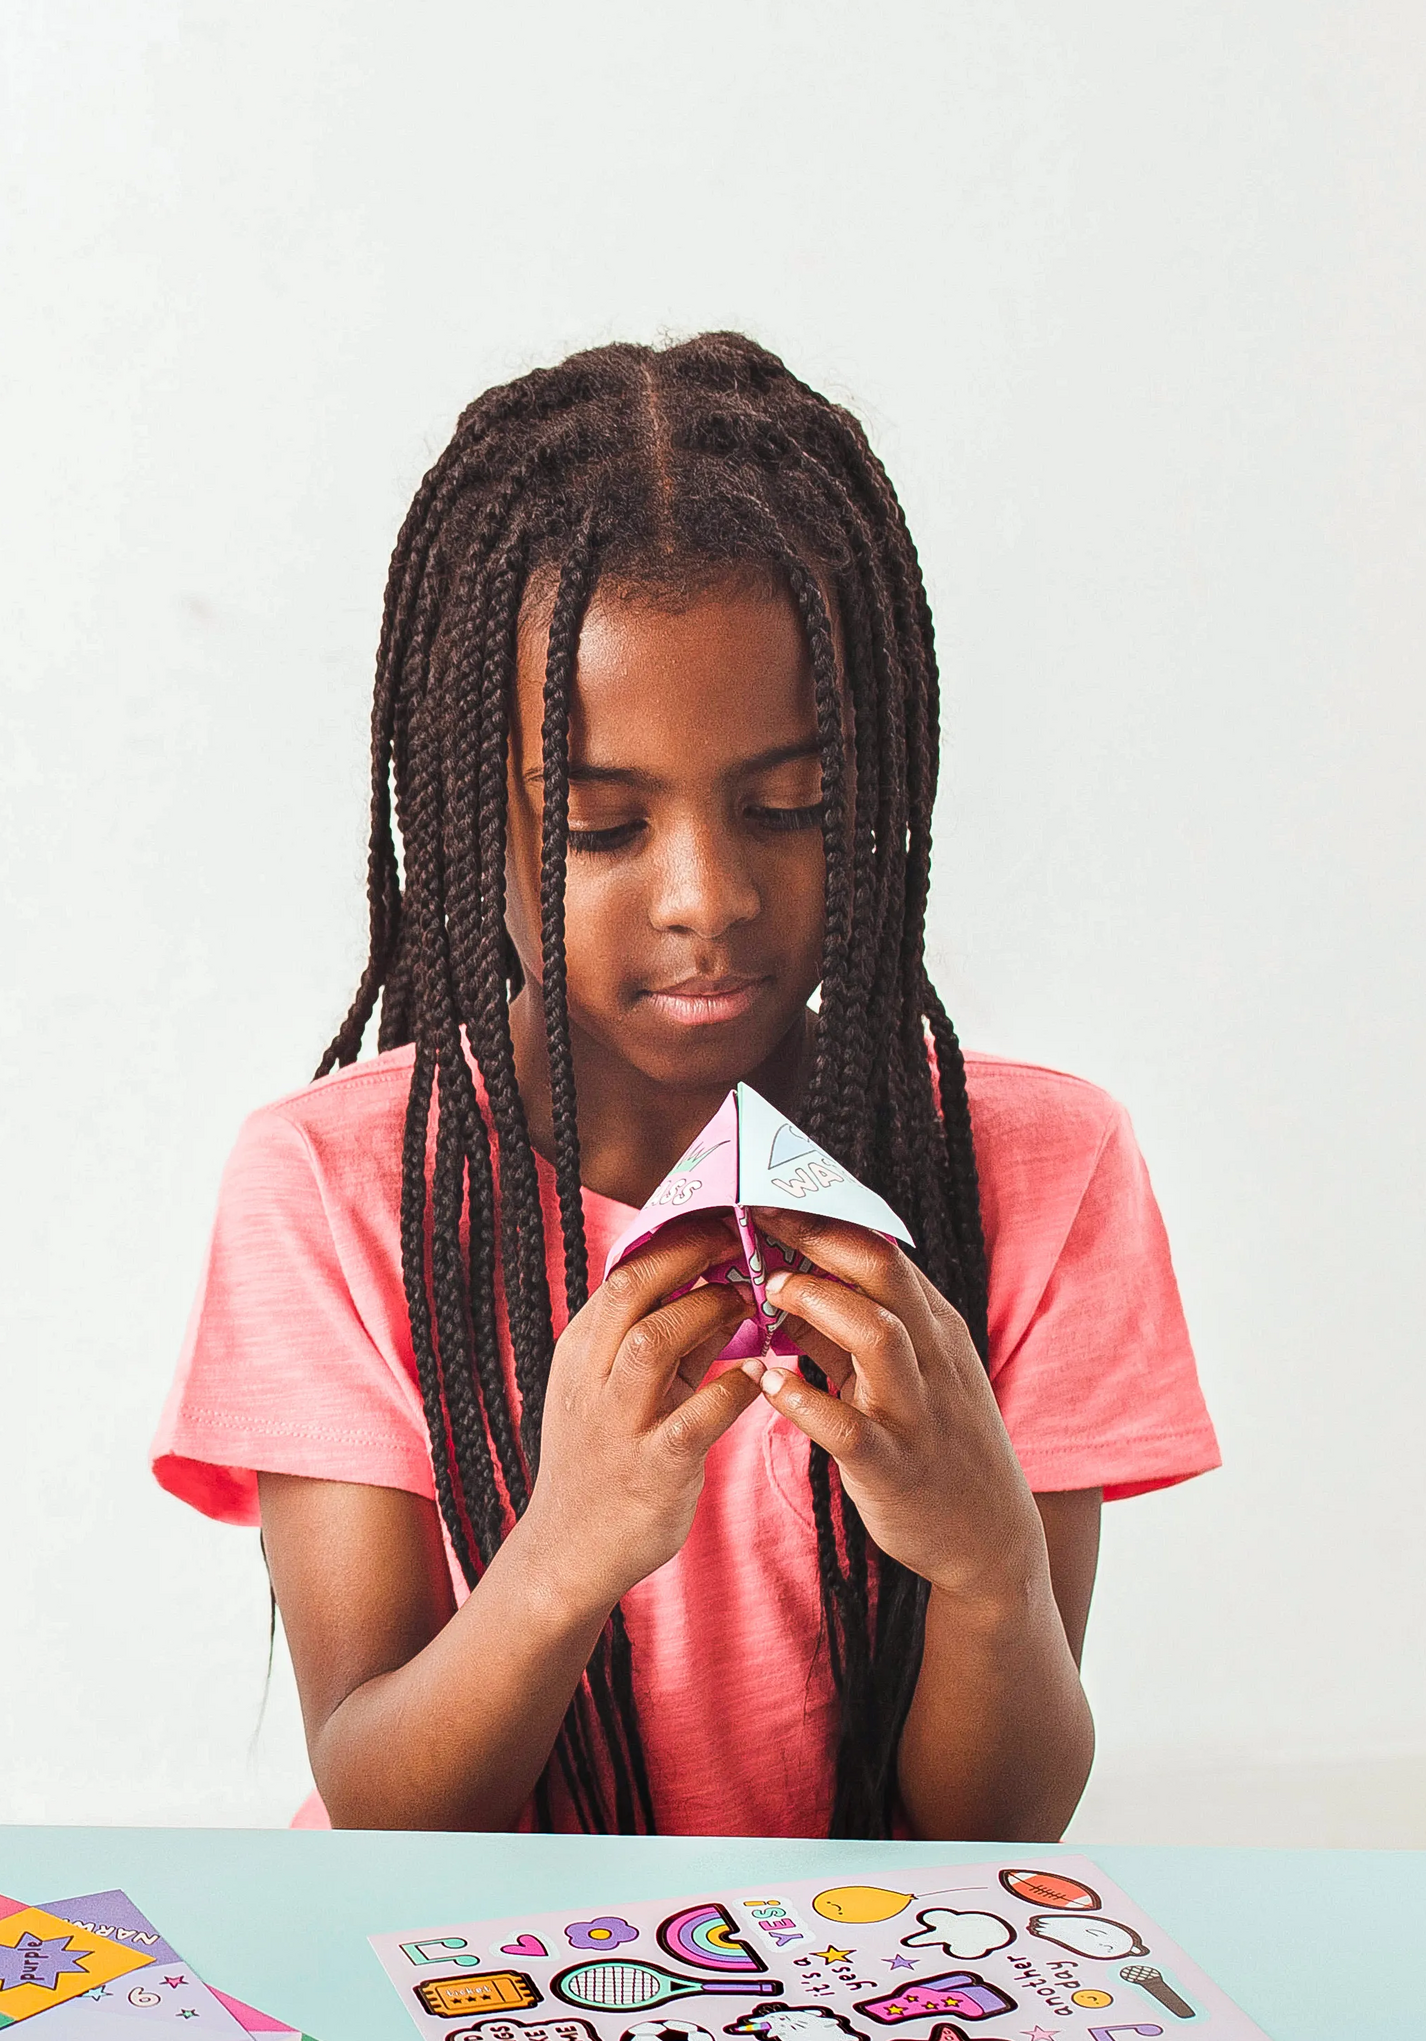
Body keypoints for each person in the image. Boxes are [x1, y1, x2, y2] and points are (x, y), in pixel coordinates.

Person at [153, 335, 1217, 1841]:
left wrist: (987, 1566)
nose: (705, 898)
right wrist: (566, 1553)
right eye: (597, 828)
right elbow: (384, 1804)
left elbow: (1001, 1830)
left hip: (855, 2013)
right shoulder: (332, 1194)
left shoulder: (1034, 1168)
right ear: (474, 825)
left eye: (788, 807)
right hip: (459, 2005)